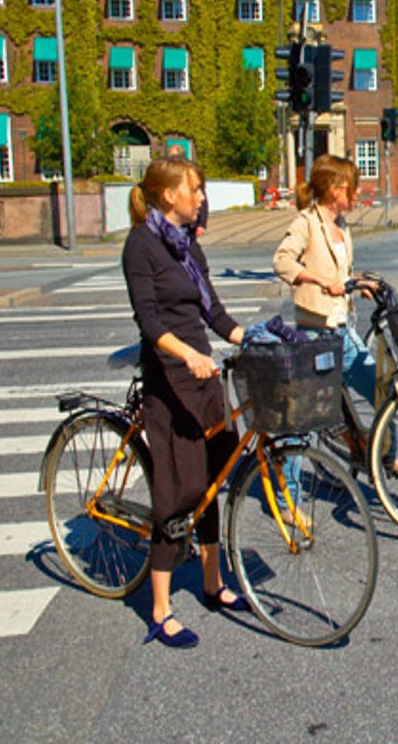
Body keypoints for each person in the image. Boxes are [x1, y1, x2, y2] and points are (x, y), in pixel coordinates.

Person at [122, 155, 247, 649]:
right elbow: (150, 323)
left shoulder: (187, 245)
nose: (201, 197)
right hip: (170, 381)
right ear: (169, 195)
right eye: (194, 188)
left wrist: (246, 336)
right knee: (180, 490)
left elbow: (212, 309)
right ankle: (160, 608)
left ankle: (214, 583)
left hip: (204, 378)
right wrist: (188, 355)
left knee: (215, 478)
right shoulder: (141, 246)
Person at [272, 155, 398, 483]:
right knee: (304, 421)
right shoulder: (306, 222)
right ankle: (288, 495)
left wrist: (360, 284)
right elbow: (282, 262)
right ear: (335, 190)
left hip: (342, 331)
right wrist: (320, 282)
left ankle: (386, 458)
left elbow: (342, 273)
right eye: (352, 188)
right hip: (314, 334)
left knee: (384, 393)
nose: (357, 194)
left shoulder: (341, 226)